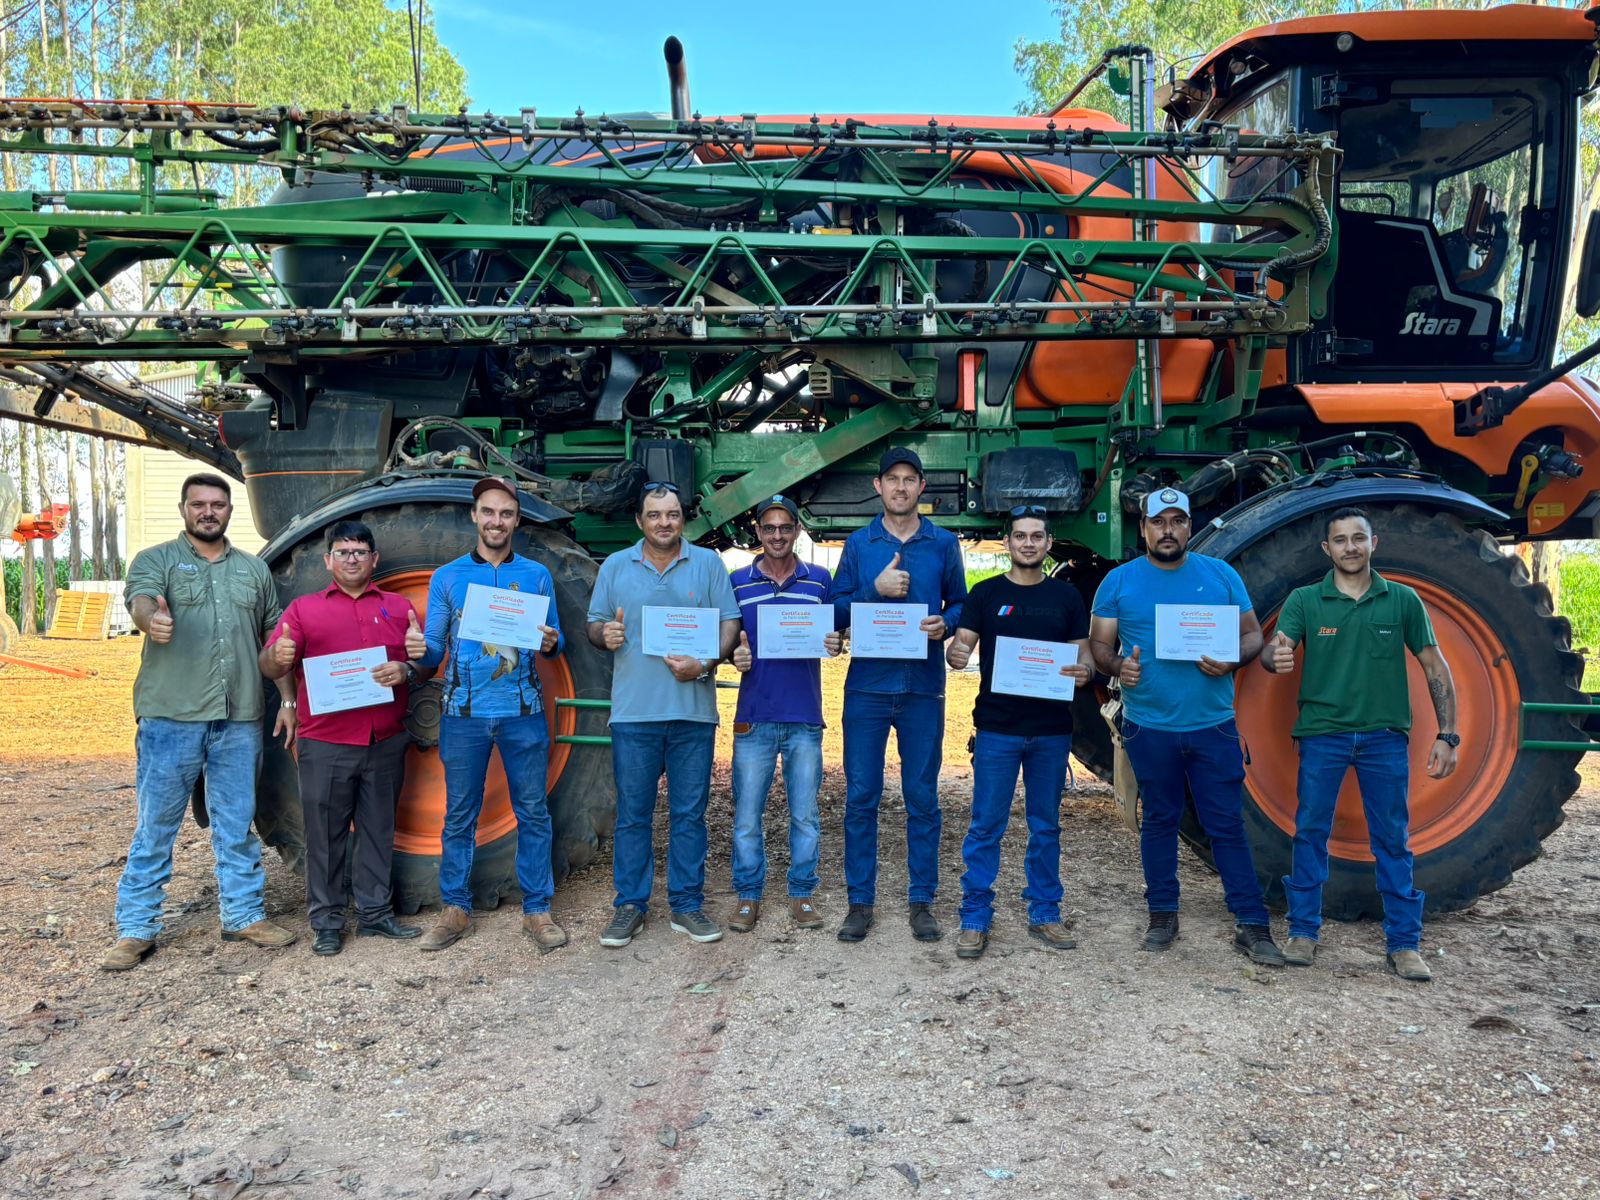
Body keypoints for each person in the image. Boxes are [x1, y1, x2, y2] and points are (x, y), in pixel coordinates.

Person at [101, 473, 297, 970]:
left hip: (238, 719)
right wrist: (152, 620)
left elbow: (273, 642)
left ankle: (244, 915)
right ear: (184, 509)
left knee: (236, 824)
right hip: (172, 717)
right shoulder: (157, 561)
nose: (208, 512)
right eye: (199, 505)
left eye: (217, 504)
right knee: (156, 826)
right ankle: (136, 928)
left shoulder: (253, 571)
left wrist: (289, 700)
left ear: (230, 510)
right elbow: (142, 600)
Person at [1089, 487, 1285, 966]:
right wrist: (1118, 668)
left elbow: (1252, 636)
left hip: (1212, 725)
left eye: (1178, 521)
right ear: (1144, 528)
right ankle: (1162, 914)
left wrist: (1231, 661)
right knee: (1159, 821)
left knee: (1226, 824)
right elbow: (1099, 646)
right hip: (1148, 726)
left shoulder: (1221, 576)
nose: (1168, 530)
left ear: (1189, 526)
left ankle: (1251, 923)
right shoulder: (1118, 582)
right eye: (1159, 522)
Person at [1262, 506, 1457, 982]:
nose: (1350, 547)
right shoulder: (1305, 600)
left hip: (1384, 739)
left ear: (1374, 544)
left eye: (1359, 538)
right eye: (1341, 539)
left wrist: (1448, 735)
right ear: (1326, 549)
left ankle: (1404, 944)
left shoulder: (1403, 601)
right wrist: (1275, 656)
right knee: (1310, 832)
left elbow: (1435, 667)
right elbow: (1274, 649)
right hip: (1322, 736)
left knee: (1391, 839)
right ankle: (1303, 933)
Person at [258, 520, 430, 956]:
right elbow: (271, 666)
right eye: (343, 552)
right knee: (326, 834)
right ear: (328, 560)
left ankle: (375, 916)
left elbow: (421, 664)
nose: (352, 559)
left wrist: (411, 665)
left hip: (385, 739)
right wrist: (274, 658)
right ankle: (328, 921)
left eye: (360, 552)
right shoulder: (302, 610)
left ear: (374, 559)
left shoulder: (398, 607)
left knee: (378, 830)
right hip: (327, 742)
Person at [409, 477, 566, 953]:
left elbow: (554, 638)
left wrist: (552, 641)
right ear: (474, 517)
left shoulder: (537, 575)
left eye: (506, 513)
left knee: (533, 812)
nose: (497, 521)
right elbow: (435, 647)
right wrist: (418, 653)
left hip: (523, 713)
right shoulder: (448, 577)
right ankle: (455, 908)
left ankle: (537, 910)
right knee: (459, 814)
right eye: (488, 512)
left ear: (517, 520)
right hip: (463, 714)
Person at [585, 482, 740, 948]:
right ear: (640, 521)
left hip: (693, 713)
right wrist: (604, 634)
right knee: (633, 814)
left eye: (672, 514)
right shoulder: (615, 566)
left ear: (683, 519)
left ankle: (687, 905)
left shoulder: (709, 564)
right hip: (634, 714)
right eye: (654, 515)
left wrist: (706, 662)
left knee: (689, 814)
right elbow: (594, 624)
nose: (664, 522)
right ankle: (629, 906)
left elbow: (730, 624)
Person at [831, 448, 967, 944]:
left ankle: (921, 901)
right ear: (878, 485)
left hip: (922, 689)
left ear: (921, 488)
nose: (902, 488)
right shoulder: (859, 544)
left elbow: (963, 601)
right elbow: (835, 611)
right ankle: (859, 903)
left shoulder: (943, 543)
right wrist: (875, 589)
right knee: (861, 797)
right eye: (893, 479)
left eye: (911, 480)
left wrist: (945, 623)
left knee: (922, 799)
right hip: (867, 689)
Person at [945, 506, 1091, 959]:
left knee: (1045, 826)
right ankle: (974, 916)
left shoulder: (1066, 598)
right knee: (986, 825)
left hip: (1050, 732)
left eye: (1037, 537)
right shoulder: (985, 594)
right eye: (1020, 536)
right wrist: (955, 652)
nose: (1028, 543)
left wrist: (1083, 672)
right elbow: (963, 645)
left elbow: (1081, 657)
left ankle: (1045, 912)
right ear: (1007, 543)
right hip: (997, 730)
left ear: (1049, 544)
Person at [727, 495, 843, 933]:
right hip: (753, 716)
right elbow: (727, 640)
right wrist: (731, 657)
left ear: (797, 530)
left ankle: (802, 893)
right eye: (768, 528)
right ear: (758, 532)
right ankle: (748, 895)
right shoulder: (737, 581)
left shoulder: (819, 581)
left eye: (785, 527)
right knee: (746, 816)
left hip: (804, 718)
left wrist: (834, 644)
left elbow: (832, 635)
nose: (777, 535)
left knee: (805, 814)